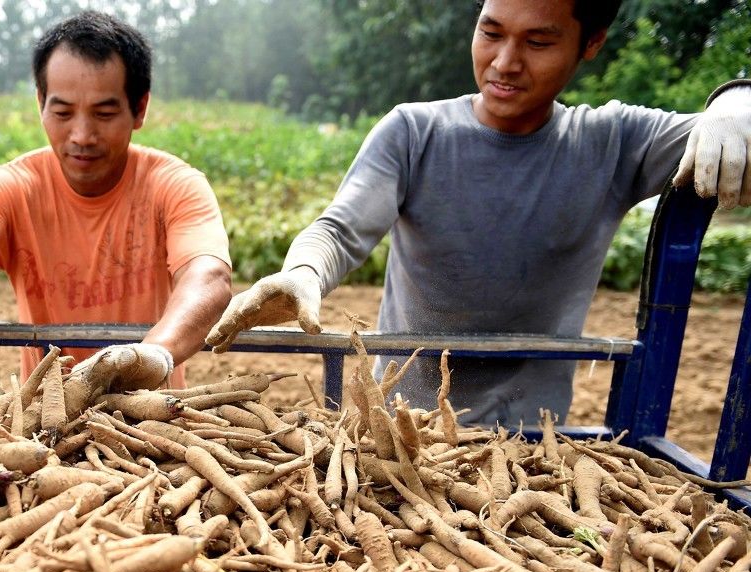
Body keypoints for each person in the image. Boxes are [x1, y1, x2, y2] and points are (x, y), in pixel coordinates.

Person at [205, 0, 751, 428]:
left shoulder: (612, 142)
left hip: (531, 444)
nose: (505, 62)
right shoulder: (414, 132)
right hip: (401, 432)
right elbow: (339, 230)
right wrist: (302, 271)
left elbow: (723, 136)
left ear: (592, 43)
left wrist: (735, 100)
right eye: (491, 32)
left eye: (538, 41)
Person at [0, 10, 231, 395]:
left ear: (140, 109)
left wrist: (154, 355)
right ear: (40, 103)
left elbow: (208, 276)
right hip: (44, 416)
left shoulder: (175, 186)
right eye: (63, 112)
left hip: (150, 410)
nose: (82, 135)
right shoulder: (12, 187)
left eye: (104, 113)